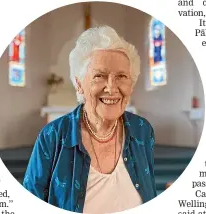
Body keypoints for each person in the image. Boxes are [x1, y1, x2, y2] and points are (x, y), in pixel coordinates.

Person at [23, 25, 157, 213]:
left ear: (131, 84)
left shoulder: (142, 130)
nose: (111, 88)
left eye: (121, 76)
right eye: (99, 76)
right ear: (79, 84)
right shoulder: (52, 137)